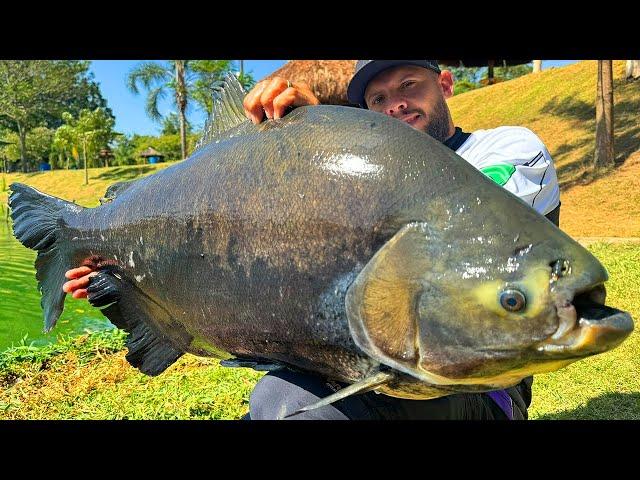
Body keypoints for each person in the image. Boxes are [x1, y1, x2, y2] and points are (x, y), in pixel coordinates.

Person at [63, 60, 561, 420]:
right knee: (278, 402)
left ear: (445, 83)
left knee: (296, 409)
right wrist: (126, 279)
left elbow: (461, 231)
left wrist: (329, 131)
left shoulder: (506, 147)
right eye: (378, 99)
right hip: (362, 368)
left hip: (472, 387)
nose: (397, 104)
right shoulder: (362, 180)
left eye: (409, 85)